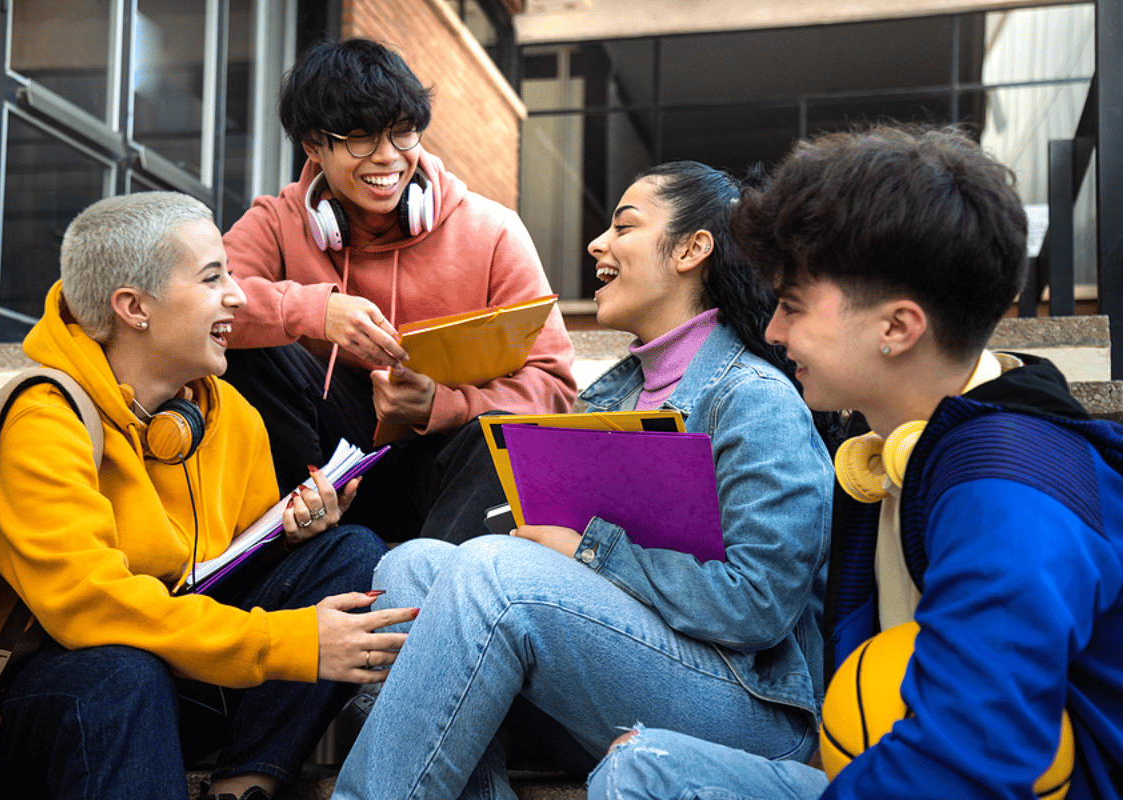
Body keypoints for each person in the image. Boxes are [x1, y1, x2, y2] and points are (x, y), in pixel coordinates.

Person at [585, 125, 1123, 800]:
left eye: (793, 306)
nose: (773, 331)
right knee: (645, 768)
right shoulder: (881, 458)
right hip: (882, 770)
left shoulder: (1008, 489)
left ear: (896, 328)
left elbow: (968, 763)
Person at [328, 161, 837, 800]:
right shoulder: (613, 395)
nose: (597, 243)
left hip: (748, 706)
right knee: (409, 570)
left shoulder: (754, 398)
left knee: (491, 573)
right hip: (620, 673)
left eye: (624, 226)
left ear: (691, 249)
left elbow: (758, 604)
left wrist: (588, 551)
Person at [0, 192, 418, 800]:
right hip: (53, 704)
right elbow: (94, 609)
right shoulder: (44, 421)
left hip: (179, 676)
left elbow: (229, 568)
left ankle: (244, 787)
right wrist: (288, 642)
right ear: (134, 307)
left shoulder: (229, 414)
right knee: (121, 670)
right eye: (214, 278)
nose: (237, 297)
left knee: (349, 549)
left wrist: (289, 538)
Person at [221, 37, 577, 543]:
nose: (387, 158)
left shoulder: (493, 231)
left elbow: (556, 390)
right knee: (252, 351)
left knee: (492, 435)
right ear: (313, 146)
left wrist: (441, 405)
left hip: (444, 468)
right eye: (359, 138)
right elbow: (205, 305)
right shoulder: (278, 222)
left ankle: (438, 586)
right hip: (322, 457)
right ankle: (301, 532)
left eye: (403, 133)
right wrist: (313, 310)